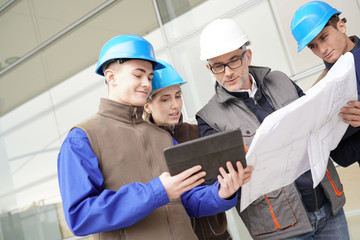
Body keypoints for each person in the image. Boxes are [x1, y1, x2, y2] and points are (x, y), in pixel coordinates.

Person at [57, 34, 250, 240]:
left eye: (149, 77)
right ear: (111, 77)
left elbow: (188, 200)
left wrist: (222, 192)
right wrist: (157, 191)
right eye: (138, 75)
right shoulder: (82, 139)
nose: (146, 83)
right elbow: (80, 216)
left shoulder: (162, 137)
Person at [196, 18, 349, 239]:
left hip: (327, 203)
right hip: (281, 228)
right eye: (218, 66)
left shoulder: (280, 80)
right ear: (209, 67)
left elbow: (317, 122)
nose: (227, 72)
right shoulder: (209, 118)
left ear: (247, 56)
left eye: (233, 61)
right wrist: (232, 180)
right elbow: (216, 181)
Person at [144, 60, 253, 240]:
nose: (175, 105)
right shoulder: (144, 145)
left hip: (218, 235)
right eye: (165, 99)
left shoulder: (198, 132)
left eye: (178, 96)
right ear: (147, 105)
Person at [291, 1, 360, 167]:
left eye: (324, 37)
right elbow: (343, 157)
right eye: (313, 46)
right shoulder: (321, 90)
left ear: (341, 26)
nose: (322, 50)